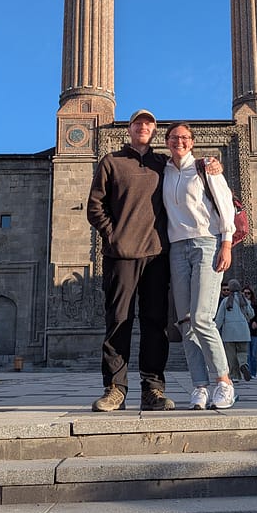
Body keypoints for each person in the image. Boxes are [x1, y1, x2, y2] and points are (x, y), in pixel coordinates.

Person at [86, 109, 176, 412]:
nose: (143, 127)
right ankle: (115, 389)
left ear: (154, 130)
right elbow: (95, 206)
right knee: (118, 321)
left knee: (155, 324)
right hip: (120, 255)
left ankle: (153, 389)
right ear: (130, 128)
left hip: (156, 256)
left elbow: (190, 178)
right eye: (139, 123)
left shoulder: (164, 164)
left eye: (149, 123)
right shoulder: (112, 162)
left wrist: (211, 165)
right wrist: (114, 236)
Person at [162, 122, 237, 411]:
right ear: (167, 141)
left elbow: (226, 205)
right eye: (173, 137)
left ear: (192, 142)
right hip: (177, 249)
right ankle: (200, 386)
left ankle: (225, 382)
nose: (179, 142)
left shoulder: (206, 168)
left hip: (208, 244)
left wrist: (226, 243)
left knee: (203, 317)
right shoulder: (163, 170)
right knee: (185, 322)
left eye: (184, 138)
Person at [216, 279, 254, 382]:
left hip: (229, 332)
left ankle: (235, 376)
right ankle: (243, 364)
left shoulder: (225, 301)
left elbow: (220, 318)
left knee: (231, 355)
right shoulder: (245, 300)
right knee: (242, 351)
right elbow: (251, 314)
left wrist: (215, 330)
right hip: (243, 331)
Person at [243, 286, 257, 376]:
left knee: (253, 353)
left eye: (248, 293)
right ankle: (248, 373)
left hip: (254, 331)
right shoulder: (240, 304)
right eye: (245, 293)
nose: (246, 295)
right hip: (244, 331)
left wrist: (256, 322)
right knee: (247, 354)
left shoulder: (256, 304)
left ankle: (253, 372)